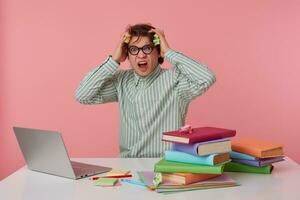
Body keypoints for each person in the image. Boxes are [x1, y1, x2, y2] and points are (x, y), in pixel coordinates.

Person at [75, 23, 216, 158]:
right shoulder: (121, 81)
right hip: (128, 165)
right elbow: (83, 95)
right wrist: (114, 59)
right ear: (127, 54)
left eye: (147, 48)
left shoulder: (176, 80)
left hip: (165, 163)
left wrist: (169, 52)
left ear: (158, 52)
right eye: (134, 49)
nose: (141, 55)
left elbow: (206, 77)